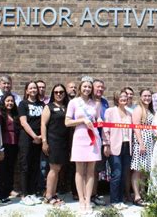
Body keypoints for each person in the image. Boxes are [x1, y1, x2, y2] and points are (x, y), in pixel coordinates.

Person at [65, 77, 102, 214]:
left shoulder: (95, 104)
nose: (87, 89)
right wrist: (81, 120)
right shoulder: (74, 102)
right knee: (80, 170)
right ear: (80, 87)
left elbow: (97, 118)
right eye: (84, 86)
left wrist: (100, 120)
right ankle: (81, 200)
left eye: (89, 87)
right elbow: (67, 122)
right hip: (80, 137)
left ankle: (88, 201)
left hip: (93, 137)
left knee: (91, 171)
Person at [103, 90, 133, 210]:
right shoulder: (110, 111)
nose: (123, 98)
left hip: (127, 146)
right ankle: (114, 201)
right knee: (117, 174)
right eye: (121, 96)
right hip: (115, 146)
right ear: (116, 98)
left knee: (124, 174)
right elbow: (106, 129)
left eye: (125, 97)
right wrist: (106, 144)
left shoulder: (129, 113)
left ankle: (120, 200)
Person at [41, 84, 70, 206]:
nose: (59, 94)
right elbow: (43, 124)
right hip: (53, 141)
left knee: (57, 169)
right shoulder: (49, 107)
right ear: (53, 94)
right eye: (56, 92)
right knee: (54, 168)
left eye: (61, 92)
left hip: (64, 142)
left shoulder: (66, 107)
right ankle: (48, 196)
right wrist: (44, 141)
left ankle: (53, 193)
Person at [17, 81, 45, 205]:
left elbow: (44, 122)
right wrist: (34, 136)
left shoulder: (42, 104)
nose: (33, 90)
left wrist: (41, 137)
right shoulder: (23, 104)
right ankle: (24, 194)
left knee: (35, 166)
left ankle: (32, 193)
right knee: (25, 166)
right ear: (27, 91)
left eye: (35, 88)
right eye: (31, 88)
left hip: (39, 138)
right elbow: (23, 122)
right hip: (27, 139)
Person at [130, 88, 155, 206]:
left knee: (145, 170)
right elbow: (136, 127)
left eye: (149, 96)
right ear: (140, 97)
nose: (147, 98)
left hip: (149, 142)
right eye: (145, 96)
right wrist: (141, 144)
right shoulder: (138, 109)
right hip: (141, 142)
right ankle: (136, 196)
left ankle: (143, 192)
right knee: (138, 169)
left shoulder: (149, 110)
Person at [0, 92, 20, 203]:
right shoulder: (0, 115)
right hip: (3, 145)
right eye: (8, 101)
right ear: (3, 102)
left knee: (10, 169)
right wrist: (0, 149)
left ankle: (8, 190)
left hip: (14, 145)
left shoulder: (15, 114)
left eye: (12, 101)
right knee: (1, 171)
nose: (10, 103)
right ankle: (0, 195)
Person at [91, 79, 108, 206]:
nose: (100, 89)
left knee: (96, 170)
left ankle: (93, 194)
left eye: (102, 87)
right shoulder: (88, 102)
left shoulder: (105, 102)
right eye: (98, 87)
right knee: (87, 169)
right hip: (88, 139)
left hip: (101, 140)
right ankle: (86, 195)